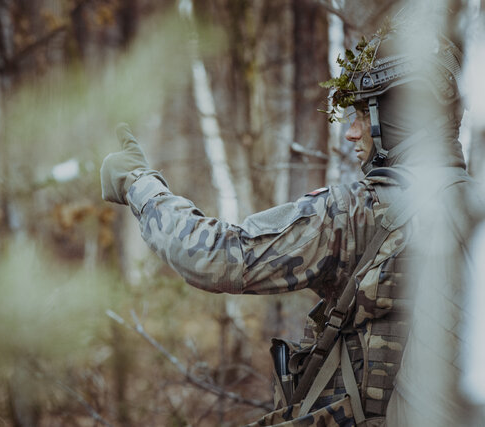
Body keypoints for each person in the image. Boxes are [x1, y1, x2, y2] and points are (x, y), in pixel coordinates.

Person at [100, 15, 468, 426]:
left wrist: (139, 185)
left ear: (399, 116)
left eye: (365, 113)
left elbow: (215, 256)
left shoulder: (358, 212)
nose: (351, 133)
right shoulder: (475, 211)